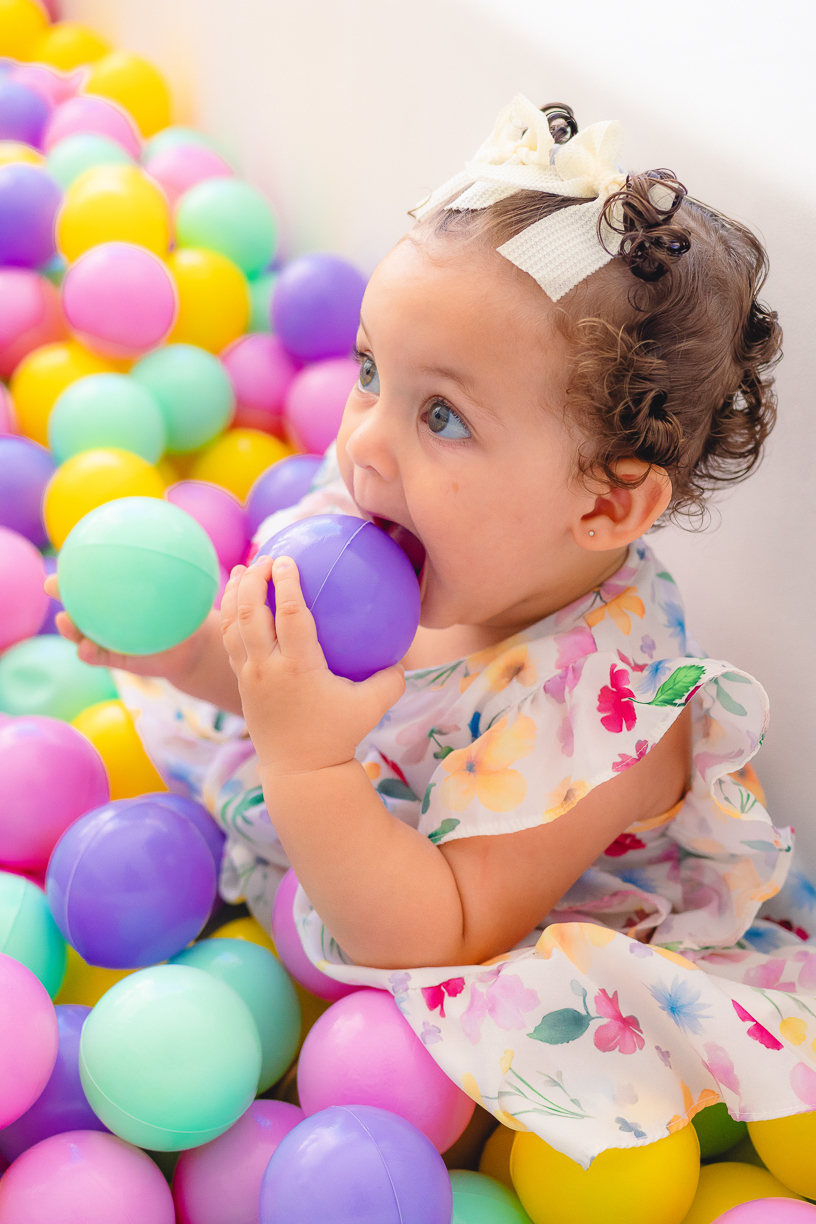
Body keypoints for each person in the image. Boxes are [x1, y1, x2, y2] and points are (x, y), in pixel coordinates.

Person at [50, 96, 816, 1166]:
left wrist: (308, 762)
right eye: (370, 371)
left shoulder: (608, 716)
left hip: (465, 926)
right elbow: (278, 677)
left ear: (605, 505)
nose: (364, 442)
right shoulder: (401, 521)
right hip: (352, 842)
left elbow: (435, 930)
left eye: (441, 415)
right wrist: (187, 655)